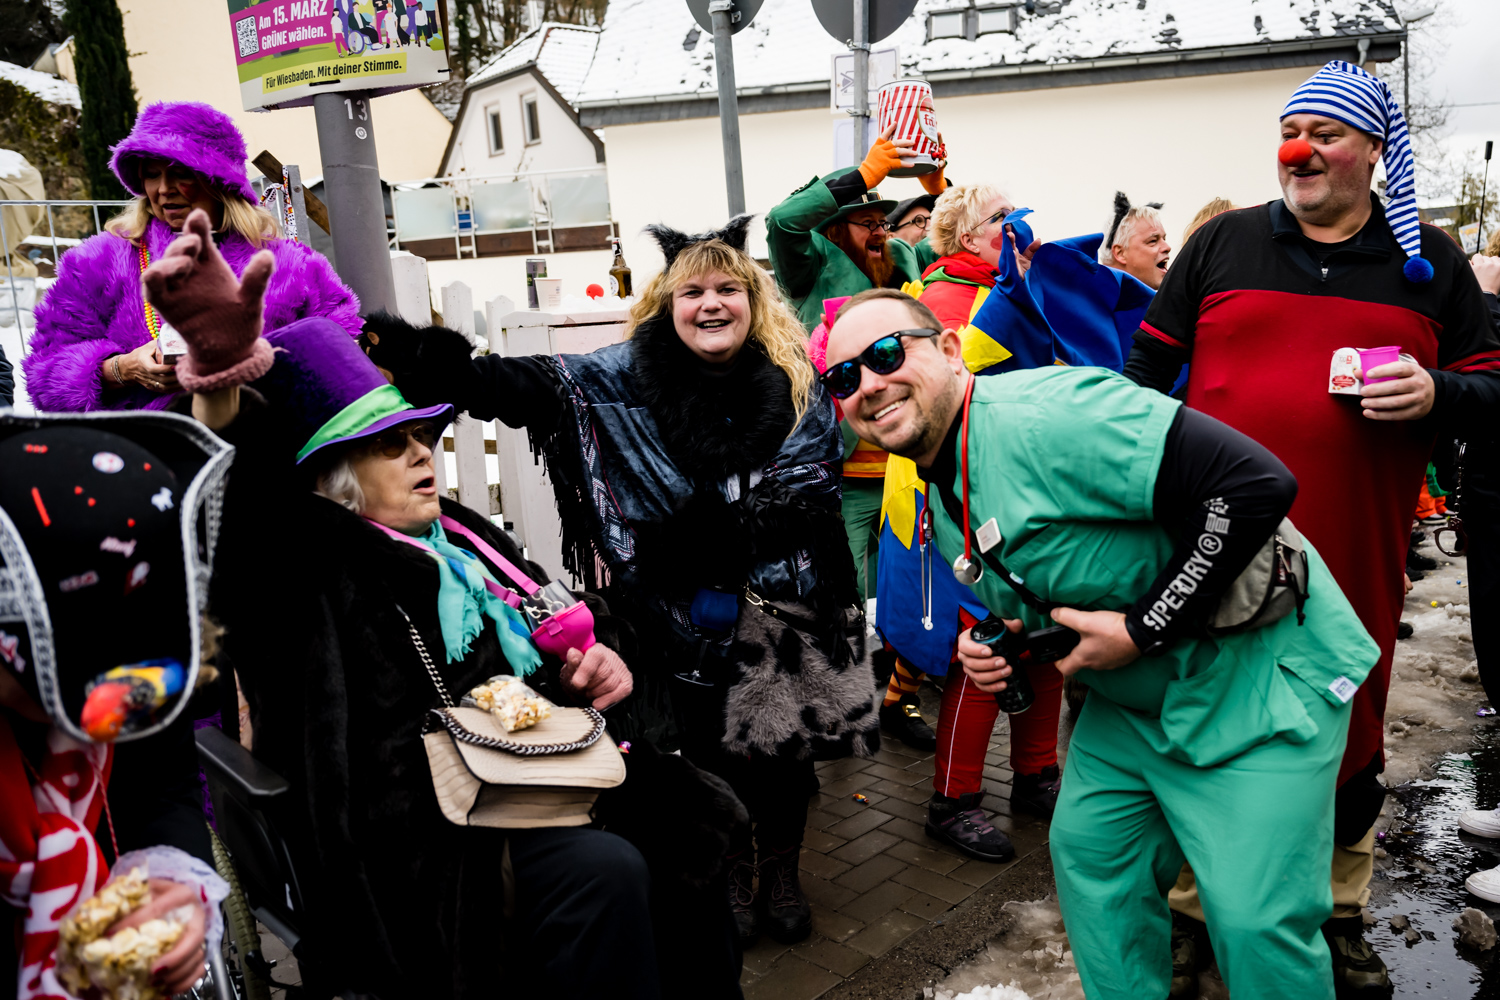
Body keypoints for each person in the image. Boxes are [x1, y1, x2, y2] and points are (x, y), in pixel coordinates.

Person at [136, 209, 745, 998]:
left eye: (422, 435)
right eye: (392, 444)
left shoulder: (454, 532)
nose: (424, 452)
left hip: (526, 773)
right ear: (333, 478)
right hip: (419, 833)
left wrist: (591, 665)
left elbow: (536, 636)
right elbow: (234, 514)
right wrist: (218, 386)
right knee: (607, 870)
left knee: (690, 823)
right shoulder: (308, 558)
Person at [827, 286, 1378, 999]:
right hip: (1136, 702)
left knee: (1253, 920)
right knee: (1092, 857)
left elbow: (1252, 484)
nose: (869, 384)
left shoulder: (1051, 414)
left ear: (951, 349)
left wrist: (1144, 626)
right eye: (846, 377)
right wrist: (1006, 640)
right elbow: (1070, 571)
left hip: (1258, 679)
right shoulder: (942, 476)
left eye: (886, 354)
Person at [365, 215, 876, 950]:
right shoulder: (617, 376)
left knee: (785, 758)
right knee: (711, 754)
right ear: (668, 303)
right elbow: (515, 386)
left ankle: (783, 874)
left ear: (752, 298)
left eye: (728, 288)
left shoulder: (796, 377)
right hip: (676, 615)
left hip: (790, 598)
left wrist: (710, 538)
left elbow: (813, 483)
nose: (711, 304)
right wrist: (421, 357)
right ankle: (731, 871)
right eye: (692, 290)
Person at [1123, 60, 1500, 994]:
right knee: (1209, 718)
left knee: (1348, 723)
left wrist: (1437, 391)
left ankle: (1336, 910)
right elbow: (1140, 382)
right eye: (1291, 131)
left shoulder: (1431, 266)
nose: (1300, 151)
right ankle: (1195, 911)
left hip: (1356, 552)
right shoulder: (1221, 246)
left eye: (1325, 134)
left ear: (1372, 152)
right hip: (1213, 546)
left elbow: (1491, 388)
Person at [0, 404, 234, 998]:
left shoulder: (136, 676)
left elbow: (161, 788)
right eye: (79, 670)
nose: (101, 718)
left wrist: (170, 885)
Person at [23, 101, 361, 414]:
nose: (163, 188)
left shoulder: (293, 267)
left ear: (219, 181)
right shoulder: (98, 261)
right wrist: (122, 368)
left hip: (263, 459)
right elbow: (43, 376)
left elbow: (343, 361)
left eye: (179, 173)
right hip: (148, 459)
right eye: (152, 174)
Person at [1101, 191, 1171, 290]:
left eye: (1164, 239)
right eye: (1153, 241)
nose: (1167, 247)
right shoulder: (1090, 302)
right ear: (1120, 253)